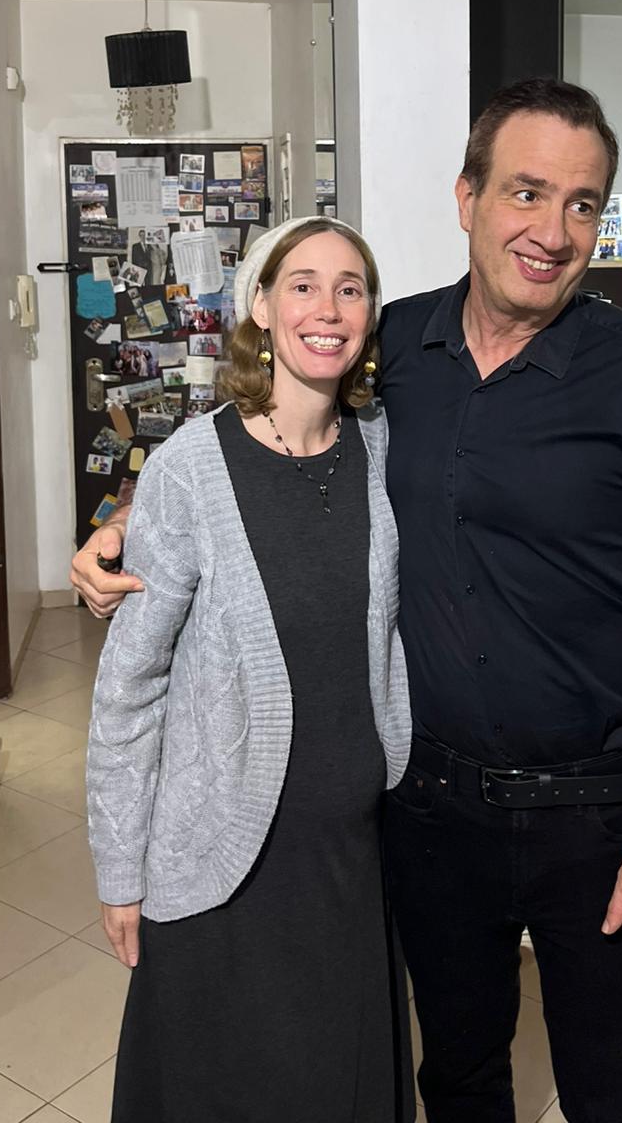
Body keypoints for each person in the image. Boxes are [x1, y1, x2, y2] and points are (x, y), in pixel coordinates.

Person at [75, 80, 622, 1123]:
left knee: (611, 1094)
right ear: (467, 197)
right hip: (432, 812)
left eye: (582, 204)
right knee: (458, 1078)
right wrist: (125, 519)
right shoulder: (397, 355)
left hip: (598, 814)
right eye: (526, 192)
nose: (552, 232)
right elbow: (264, 435)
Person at [86, 216, 413, 1123]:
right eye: (302, 285)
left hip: (351, 858)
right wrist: (120, 869)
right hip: (224, 856)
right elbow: (130, 686)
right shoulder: (191, 469)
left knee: (338, 1086)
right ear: (261, 308)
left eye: (351, 288)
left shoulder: (384, 445)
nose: (328, 309)